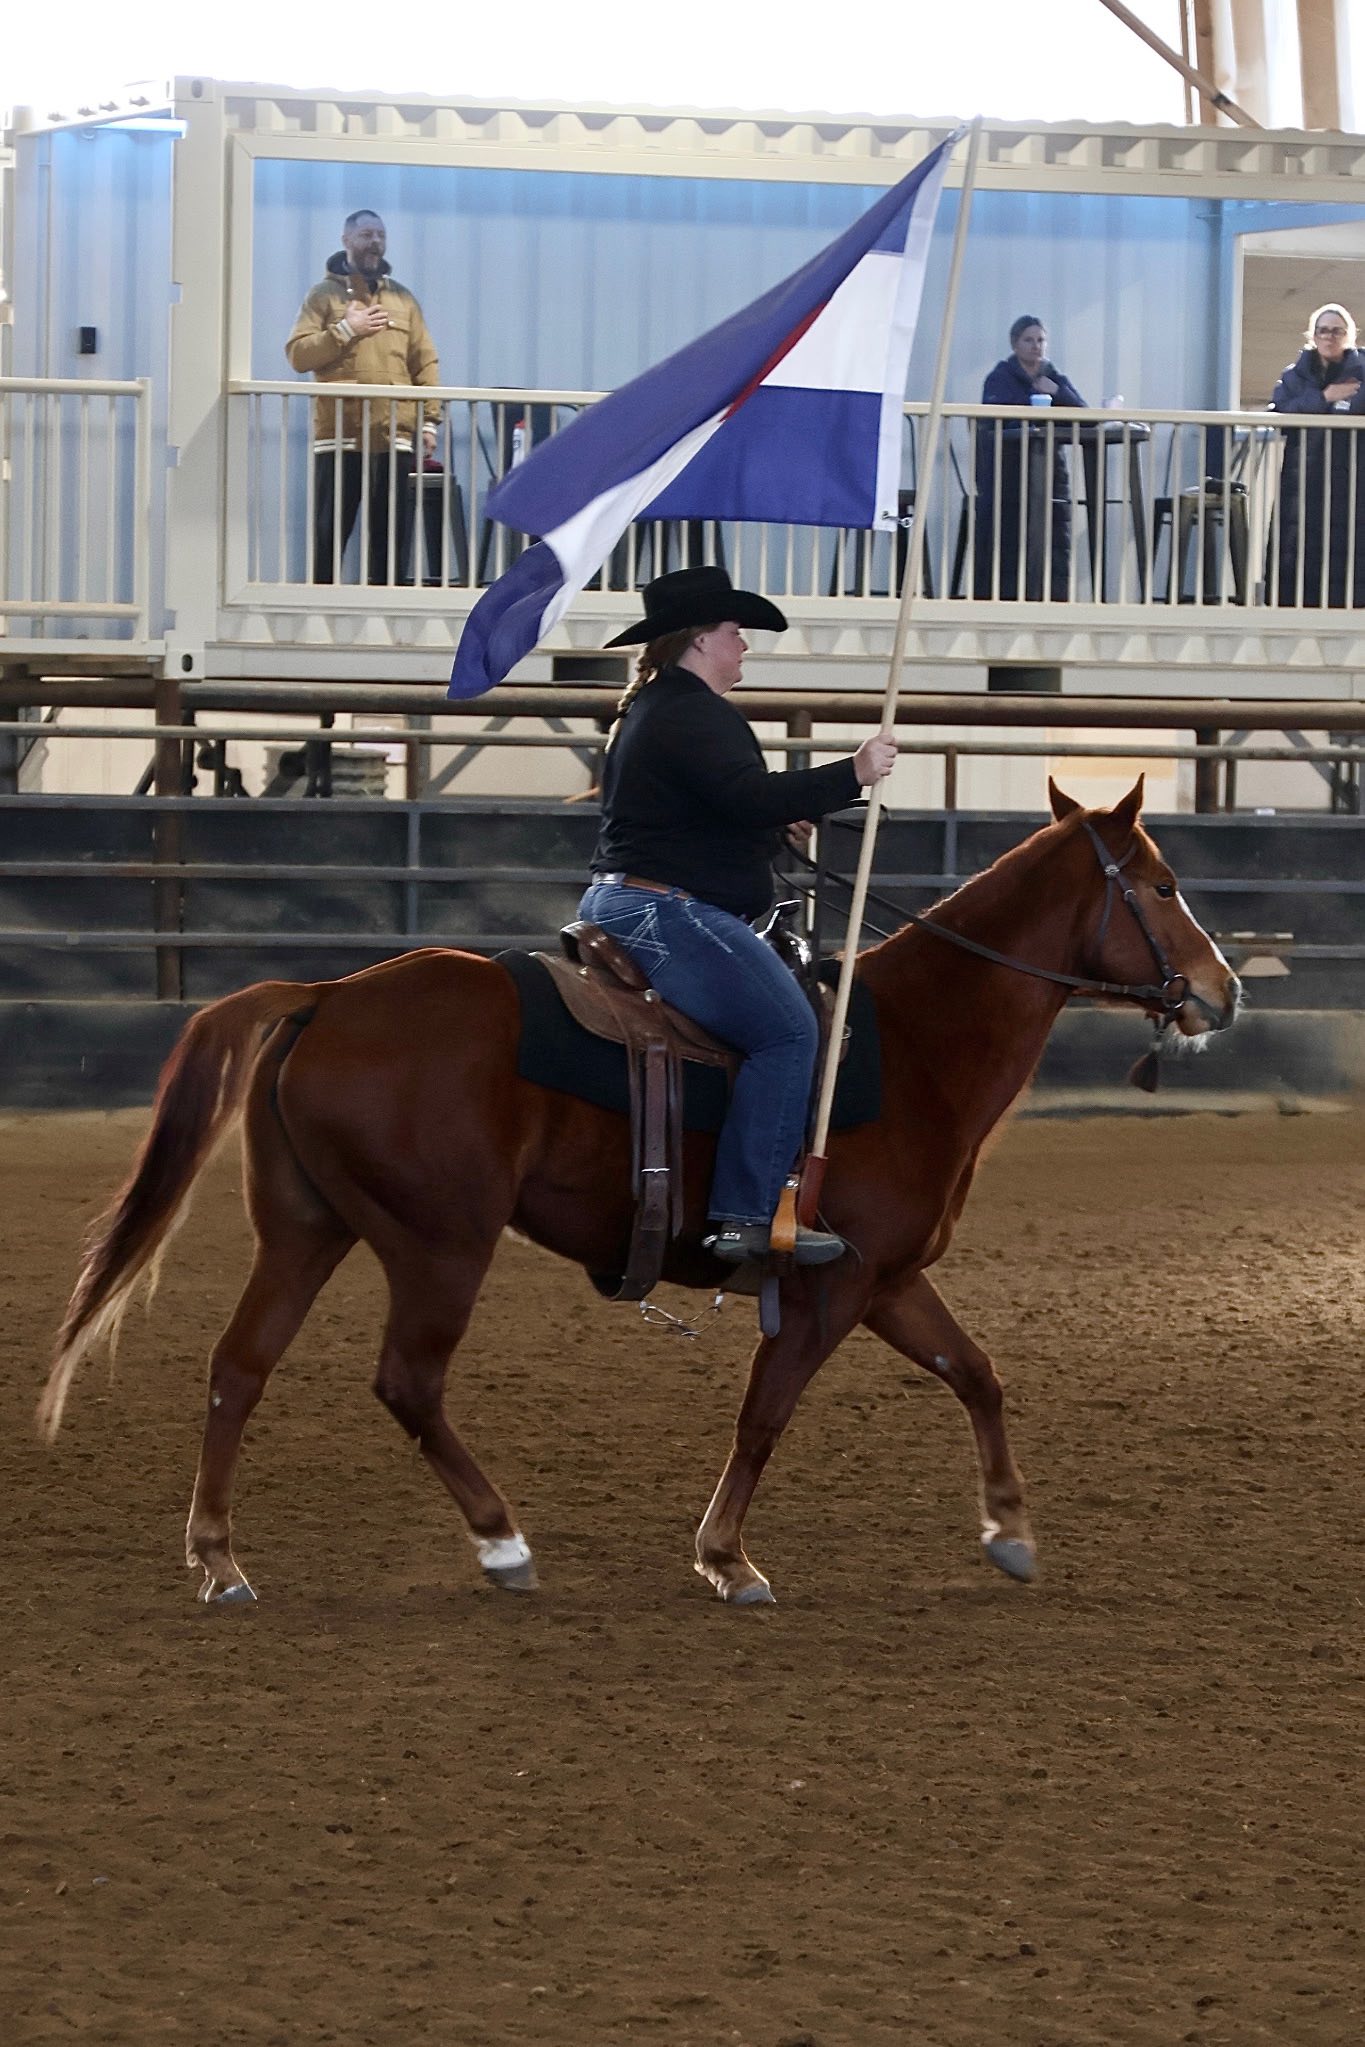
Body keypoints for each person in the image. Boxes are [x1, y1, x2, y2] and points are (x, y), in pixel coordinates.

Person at [578, 566, 897, 1267]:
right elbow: (747, 795)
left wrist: (772, 828)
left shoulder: (655, 710)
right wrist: (853, 771)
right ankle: (744, 1216)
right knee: (788, 1032)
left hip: (630, 900)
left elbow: (710, 813)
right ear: (698, 640)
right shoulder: (692, 712)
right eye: (733, 631)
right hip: (661, 910)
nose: (743, 645)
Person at [285, 209, 441, 585]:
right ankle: (319, 611)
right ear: (346, 240)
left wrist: (430, 421)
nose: (375, 243)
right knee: (330, 531)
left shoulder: (403, 299)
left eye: (380, 235)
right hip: (341, 434)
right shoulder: (322, 296)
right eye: (367, 234)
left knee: (391, 535)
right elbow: (298, 355)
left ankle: (384, 613)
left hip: (394, 435)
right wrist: (345, 329)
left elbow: (425, 361)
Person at [974, 315, 1086, 601]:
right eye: (1029, 340)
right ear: (1015, 344)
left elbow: (1086, 418)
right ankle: (1005, 597)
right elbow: (995, 421)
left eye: (1041, 340)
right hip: (1007, 473)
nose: (1036, 346)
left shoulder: (1053, 377)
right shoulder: (1000, 378)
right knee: (1009, 536)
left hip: (1049, 474)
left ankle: (1052, 597)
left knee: (1054, 533)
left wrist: (1057, 393)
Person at [1269, 303, 1365, 608]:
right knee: (1299, 544)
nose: (1329, 336)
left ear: (1349, 336)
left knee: (1349, 545)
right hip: (1303, 477)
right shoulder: (1294, 375)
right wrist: (1324, 398)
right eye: (1323, 330)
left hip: (1353, 479)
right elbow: (1282, 410)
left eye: (1337, 330)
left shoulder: (1362, 374)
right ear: (1313, 335)